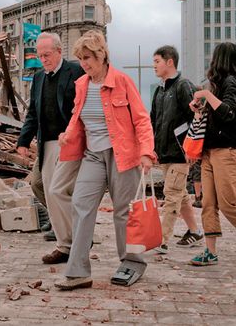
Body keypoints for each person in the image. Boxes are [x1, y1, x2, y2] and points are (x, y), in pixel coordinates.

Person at [54, 30, 156, 290]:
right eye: (80, 59)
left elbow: (142, 120)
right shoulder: (82, 85)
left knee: (124, 212)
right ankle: (78, 271)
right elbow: (79, 119)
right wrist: (68, 134)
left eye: (88, 57)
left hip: (122, 154)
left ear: (101, 55)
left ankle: (132, 262)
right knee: (80, 204)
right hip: (92, 155)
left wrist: (146, 151)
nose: (84, 63)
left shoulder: (122, 81)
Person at [188, 42, 236, 267]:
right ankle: (210, 251)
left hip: (227, 152)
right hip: (210, 152)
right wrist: (202, 106)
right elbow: (223, 113)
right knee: (208, 203)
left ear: (218, 59)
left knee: (227, 203)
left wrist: (205, 94)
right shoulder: (221, 85)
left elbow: (229, 112)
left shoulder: (231, 82)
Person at [16, 32, 84, 262]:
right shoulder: (38, 78)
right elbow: (33, 113)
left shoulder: (75, 71)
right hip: (47, 143)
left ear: (58, 51)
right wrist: (23, 141)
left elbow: (82, 106)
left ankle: (68, 243)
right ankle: (67, 235)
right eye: (39, 55)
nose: (43, 59)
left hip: (70, 142)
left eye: (47, 55)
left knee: (59, 191)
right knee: (41, 186)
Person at [149, 45, 203, 253]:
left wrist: (192, 147)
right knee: (179, 195)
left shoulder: (183, 86)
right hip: (164, 152)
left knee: (171, 193)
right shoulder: (159, 91)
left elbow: (196, 116)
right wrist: (152, 147)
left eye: (157, 61)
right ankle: (195, 231)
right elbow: (154, 121)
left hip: (181, 152)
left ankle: (161, 240)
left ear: (169, 62)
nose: (154, 66)